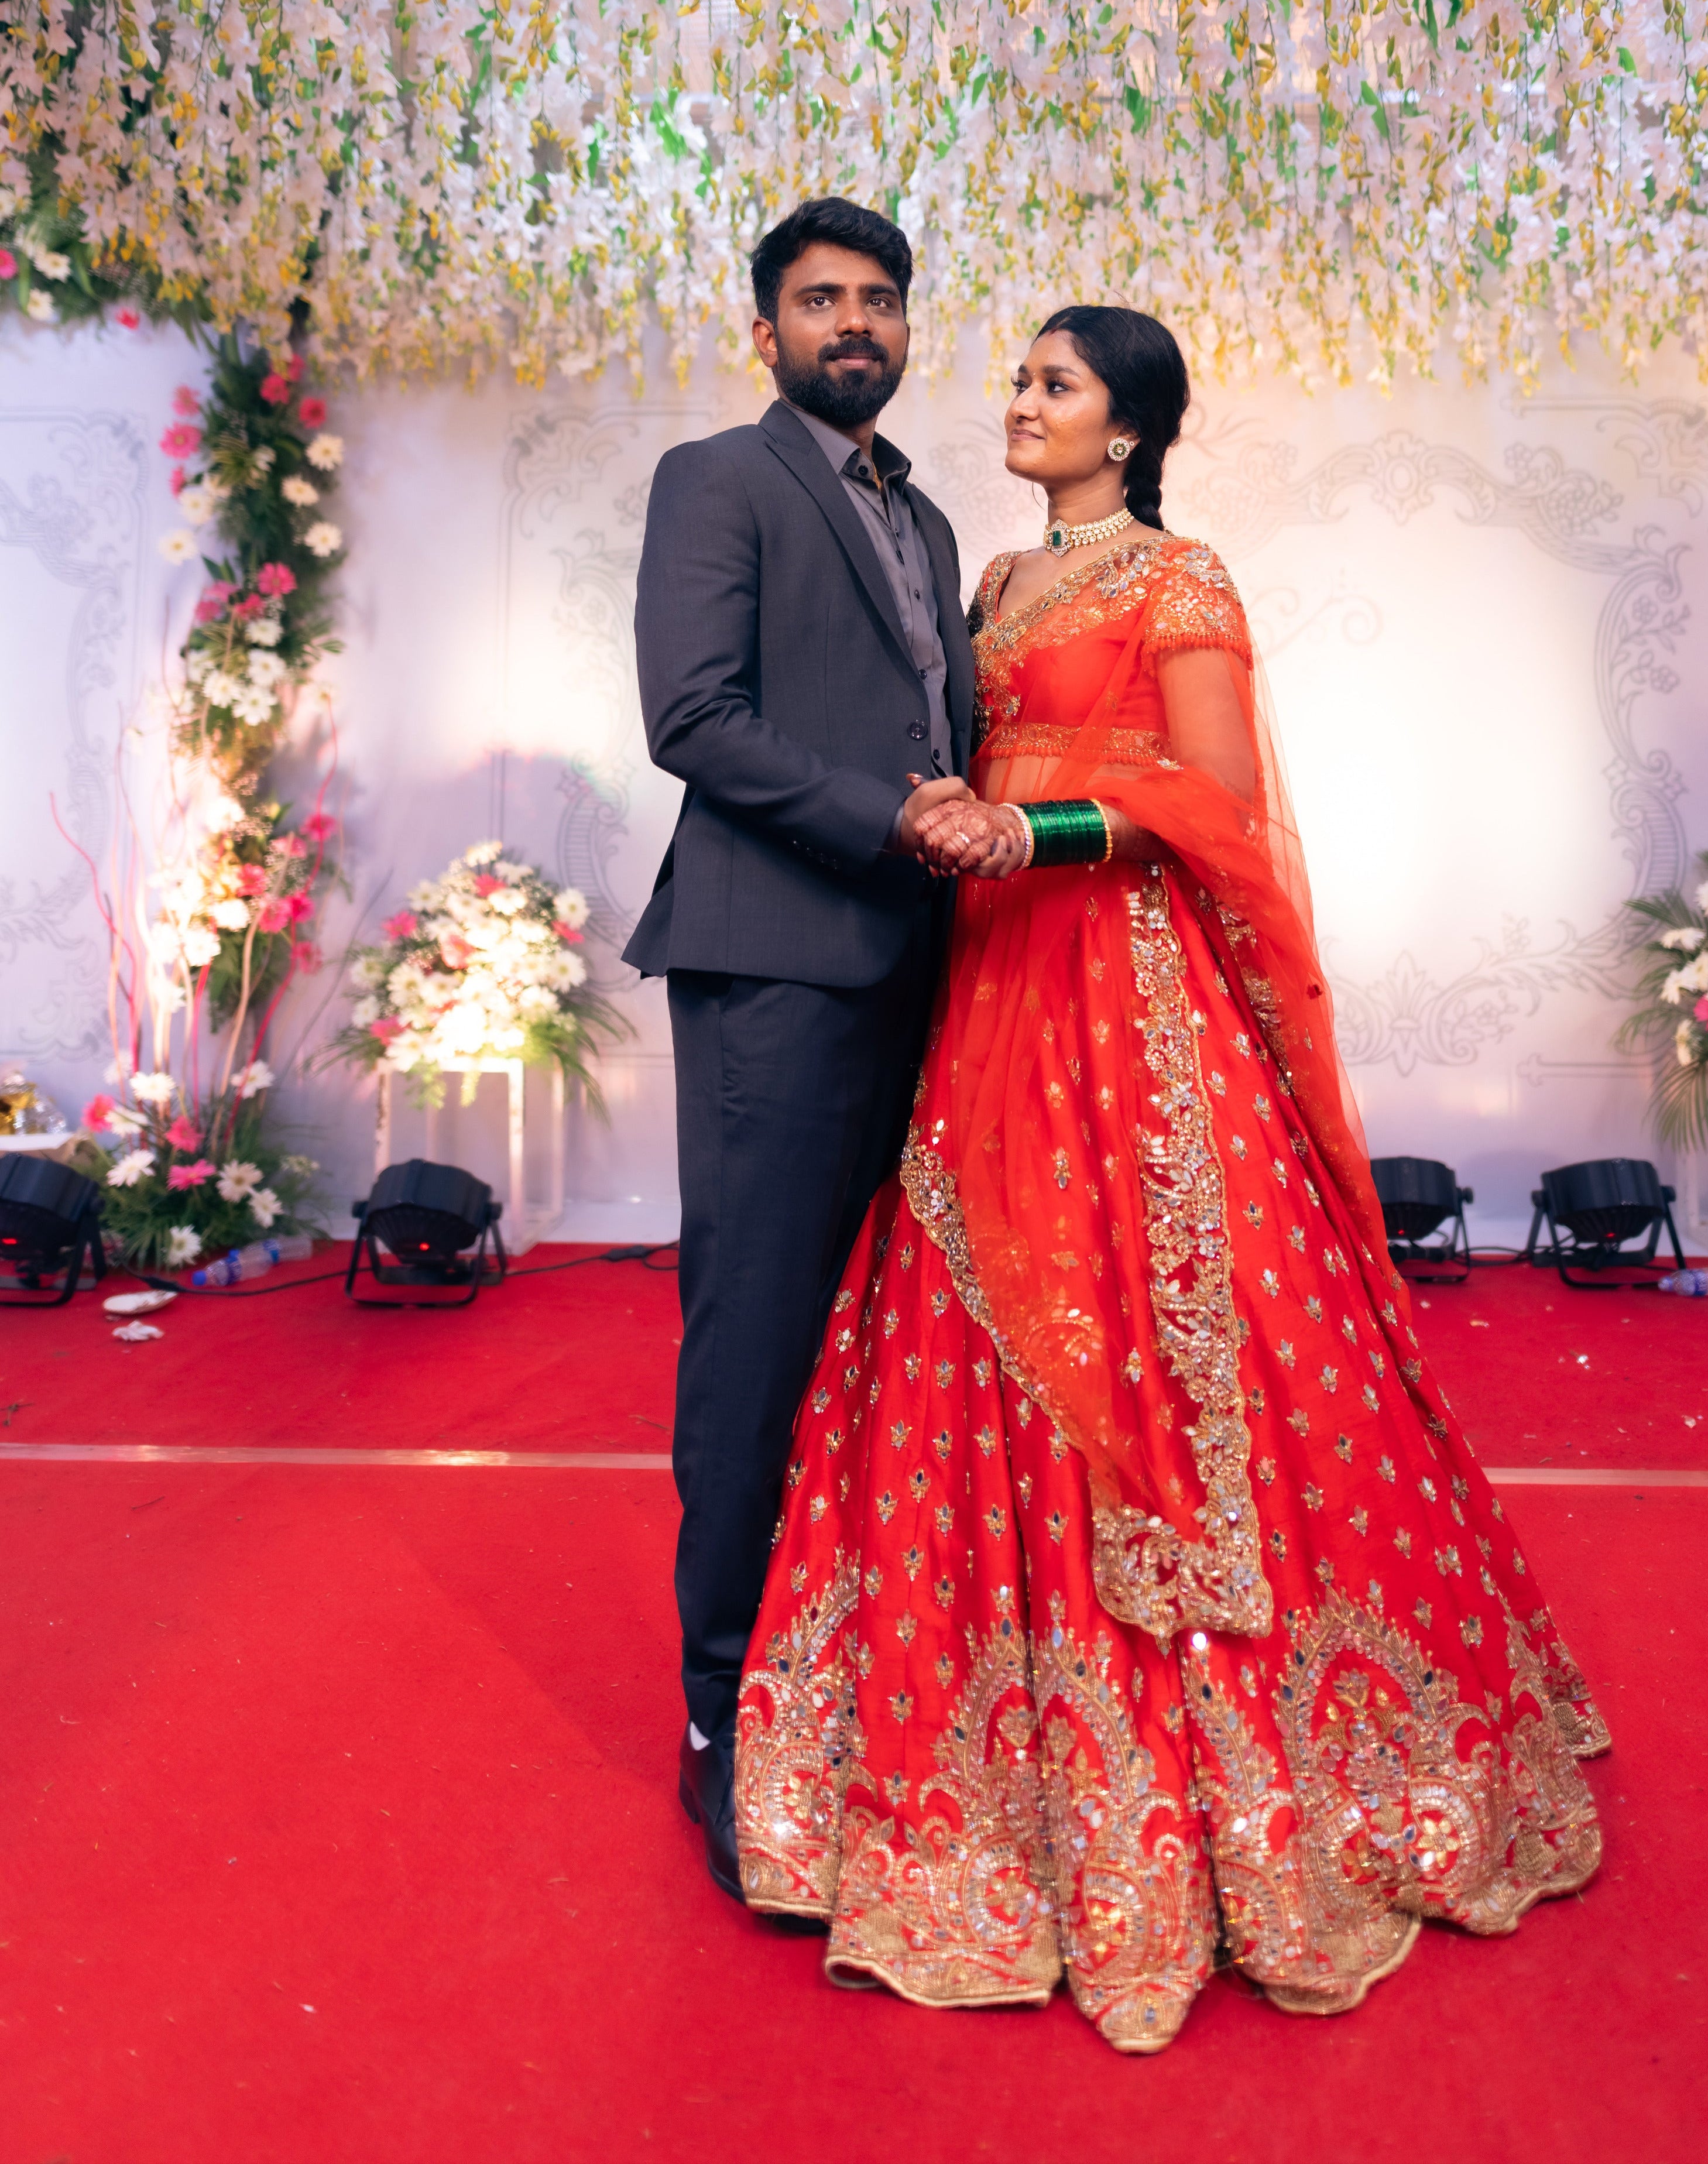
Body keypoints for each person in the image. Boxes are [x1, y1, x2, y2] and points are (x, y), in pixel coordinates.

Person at [731, 305, 1609, 2052]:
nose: (1024, 404)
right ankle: (982, 1784)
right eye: (1026, 381)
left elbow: (1210, 796)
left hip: (1125, 987)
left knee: (1177, 1318)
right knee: (963, 1305)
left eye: (1057, 385)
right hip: (992, 986)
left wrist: (1036, 827)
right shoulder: (991, 584)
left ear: (1126, 428)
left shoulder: (1179, 576)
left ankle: (1271, 1781)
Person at [624, 198, 975, 1901]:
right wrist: (892, 817)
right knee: (759, 1335)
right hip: (775, 963)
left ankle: (840, 1672)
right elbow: (691, 715)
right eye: (823, 298)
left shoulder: (933, 519)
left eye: (881, 299)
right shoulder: (721, 478)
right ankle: (717, 1717)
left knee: (887, 1349)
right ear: (766, 330)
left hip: (928, 976)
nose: (857, 321)